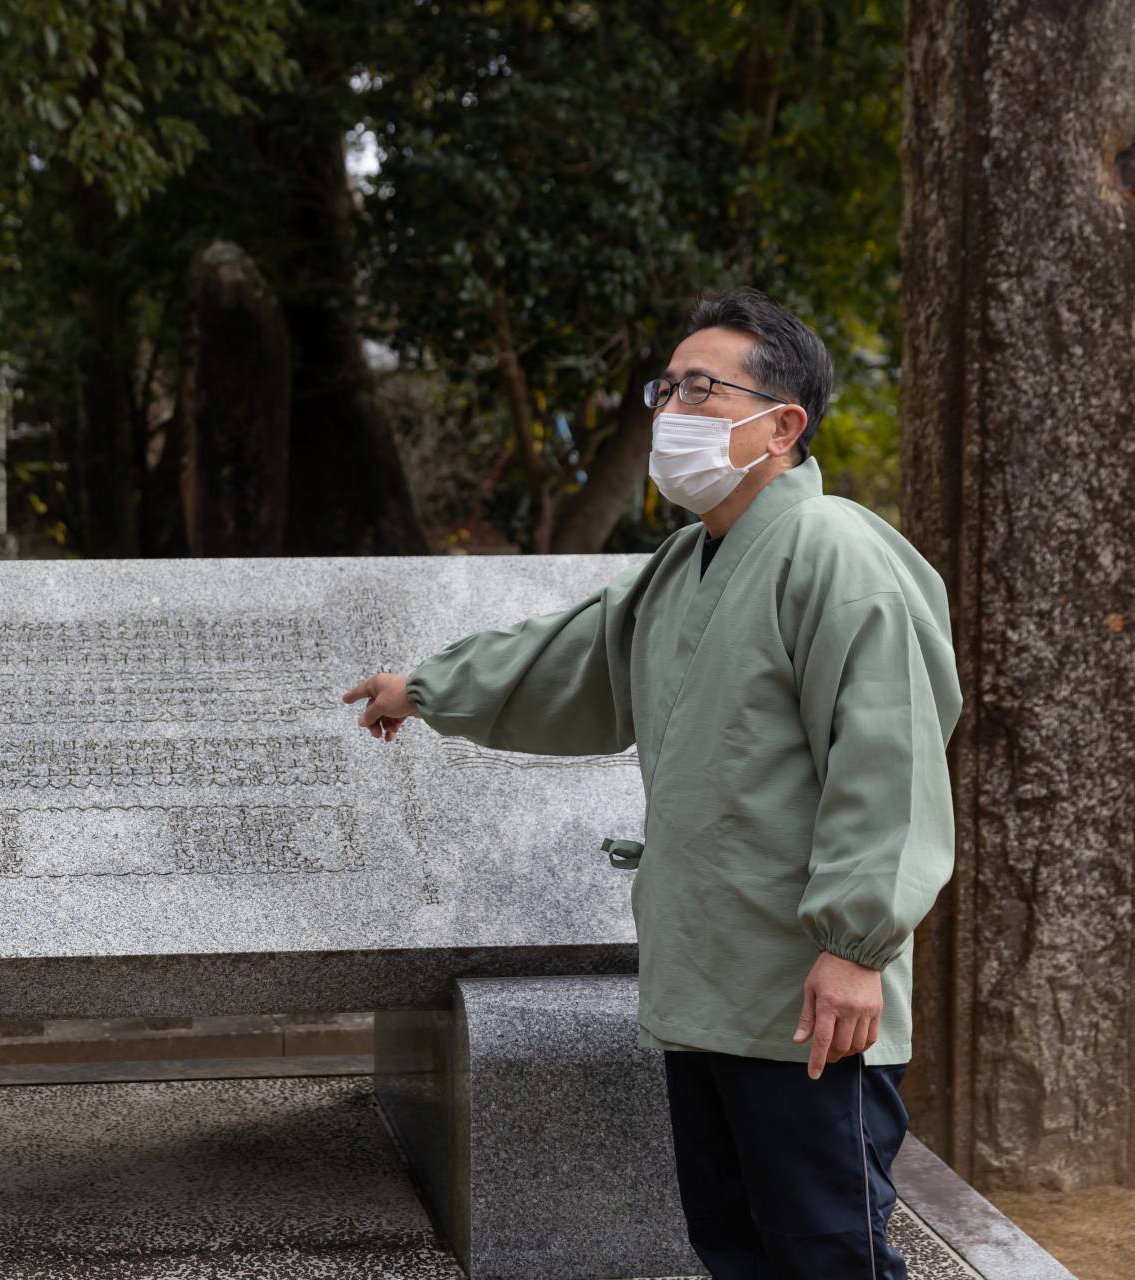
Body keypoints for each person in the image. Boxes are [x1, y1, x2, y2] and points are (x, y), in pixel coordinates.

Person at [343, 287, 961, 1279]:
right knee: (733, 1242)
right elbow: (568, 658)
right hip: (706, 978)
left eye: (700, 388)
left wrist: (858, 942)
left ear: (784, 422)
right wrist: (425, 687)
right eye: (665, 387)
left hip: (810, 989)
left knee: (829, 1249)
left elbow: (888, 757)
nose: (670, 409)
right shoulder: (685, 565)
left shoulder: (840, 553)